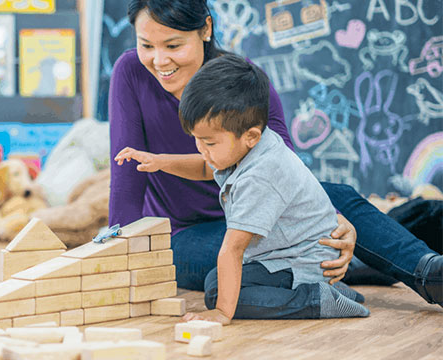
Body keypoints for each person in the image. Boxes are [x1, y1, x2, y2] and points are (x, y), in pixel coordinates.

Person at [108, 0, 442, 312]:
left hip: (261, 215)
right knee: (255, 259)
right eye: (146, 45)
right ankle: (343, 271)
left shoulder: (242, 81)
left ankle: (428, 273)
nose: (159, 61)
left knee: (337, 196)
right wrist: (117, 257)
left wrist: (333, 217)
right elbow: (127, 181)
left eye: (173, 45)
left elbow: (284, 167)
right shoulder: (131, 72)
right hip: (186, 234)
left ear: (205, 30)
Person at [116, 53, 371, 322]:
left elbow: (232, 249)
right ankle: (325, 289)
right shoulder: (247, 145)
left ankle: (314, 299)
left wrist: (222, 313)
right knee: (220, 279)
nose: (201, 149)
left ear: (250, 136)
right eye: (197, 140)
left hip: (303, 260)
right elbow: (205, 166)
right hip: (293, 256)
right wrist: (159, 161)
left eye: (209, 143)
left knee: (217, 291)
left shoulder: (260, 175)